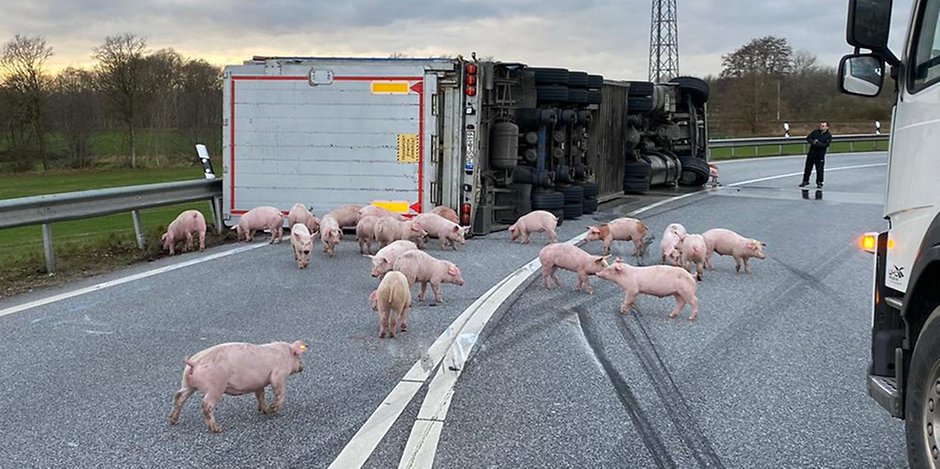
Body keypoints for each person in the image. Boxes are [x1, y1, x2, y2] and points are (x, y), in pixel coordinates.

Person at [800, 121, 831, 189]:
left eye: (823, 126)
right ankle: (805, 181)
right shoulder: (815, 132)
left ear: (827, 127)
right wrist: (813, 142)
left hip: (820, 155)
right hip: (812, 153)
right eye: (821, 125)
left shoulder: (828, 135)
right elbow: (808, 138)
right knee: (808, 168)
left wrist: (819, 144)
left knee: (819, 169)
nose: (821, 127)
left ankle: (819, 182)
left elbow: (826, 144)